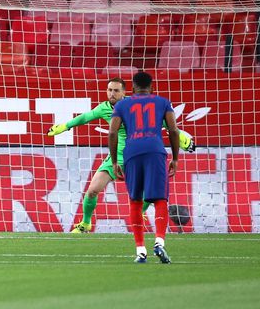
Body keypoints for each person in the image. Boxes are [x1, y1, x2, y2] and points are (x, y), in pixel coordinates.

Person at [47, 78, 194, 233]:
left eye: (116, 90)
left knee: (147, 193)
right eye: (109, 90)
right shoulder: (103, 108)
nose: (112, 94)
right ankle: (85, 223)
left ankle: (143, 214)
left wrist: (182, 138)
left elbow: (161, 122)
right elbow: (84, 117)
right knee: (92, 190)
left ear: (124, 92)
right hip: (117, 156)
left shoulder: (135, 105)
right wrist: (65, 126)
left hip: (137, 155)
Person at [109, 71, 179, 264]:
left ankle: (140, 250)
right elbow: (173, 129)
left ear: (131, 88)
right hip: (155, 151)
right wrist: (175, 158)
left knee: (135, 201)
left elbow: (113, 132)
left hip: (132, 152)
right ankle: (159, 242)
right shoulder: (163, 102)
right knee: (160, 199)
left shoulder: (122, 104)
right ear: (152, 87)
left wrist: (115, 162)